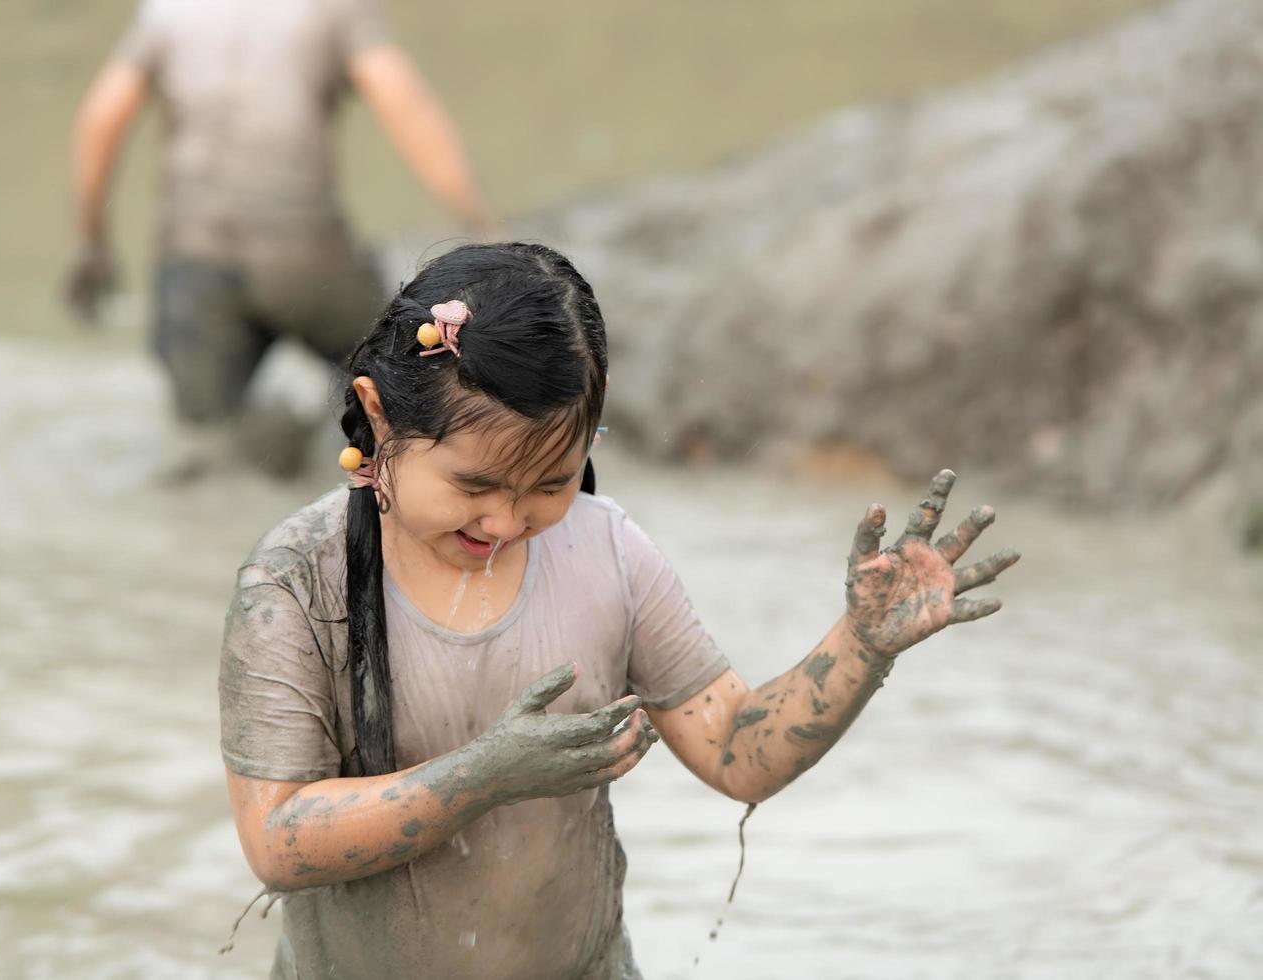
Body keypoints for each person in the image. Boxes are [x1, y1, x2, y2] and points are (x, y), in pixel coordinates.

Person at [219, 242, 1021, 978]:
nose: (504, 522)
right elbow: (276, 838)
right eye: (474, 486)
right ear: (381, 415)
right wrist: (481, 777)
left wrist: (860, 643)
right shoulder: (296, 584)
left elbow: (739, 753)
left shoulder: (607, 555)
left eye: (549, 486)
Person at [64, 0, 498, 476]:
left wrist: (91, 241)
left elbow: (100, 118)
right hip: (307, 259)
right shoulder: (335, 9)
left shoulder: (167, 13)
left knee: (204, 445)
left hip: (194, 265)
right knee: (399, 376)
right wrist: (479, 222)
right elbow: (406, 107)